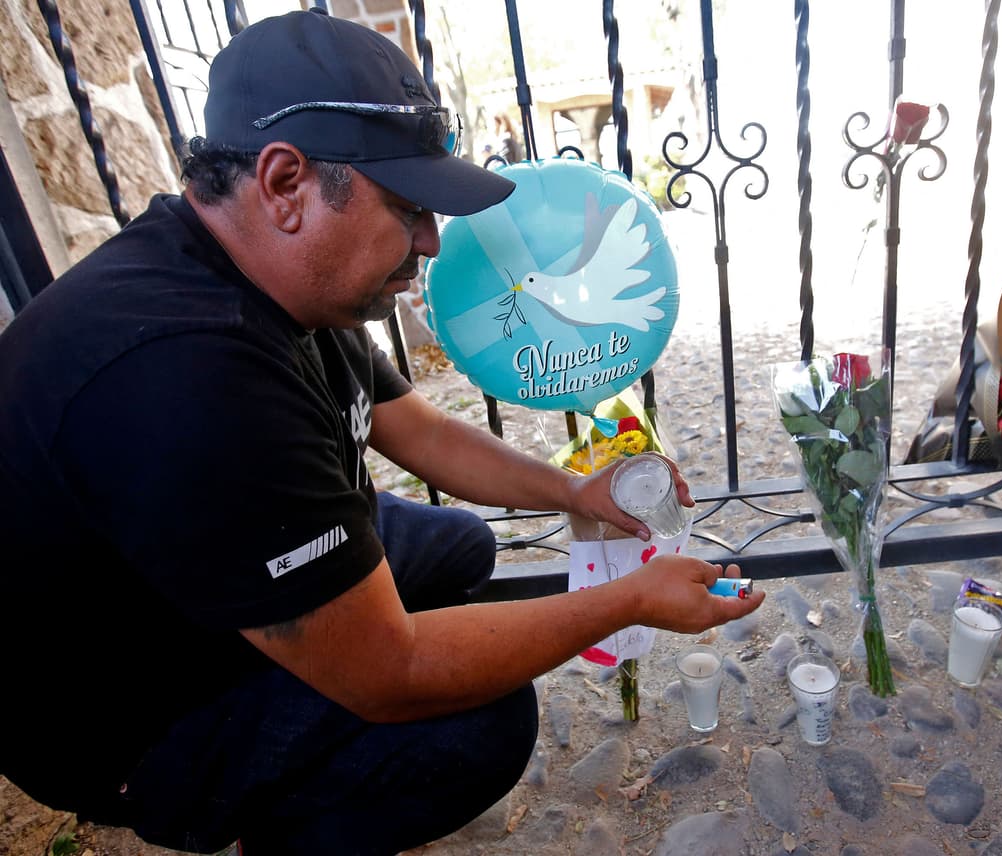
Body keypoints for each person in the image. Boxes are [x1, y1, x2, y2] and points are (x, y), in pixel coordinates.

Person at [0, 10, 763, 855]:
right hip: (130, 712)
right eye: (408, 207)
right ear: (286, 185)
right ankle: (286, 830)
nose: (432, 241)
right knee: (481, 727)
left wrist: (572, 491)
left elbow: (420, 430)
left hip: (199, 586)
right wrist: (625, 602)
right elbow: (390, 673)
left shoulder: (273, 271)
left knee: (462, 548)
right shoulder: (188, 372)